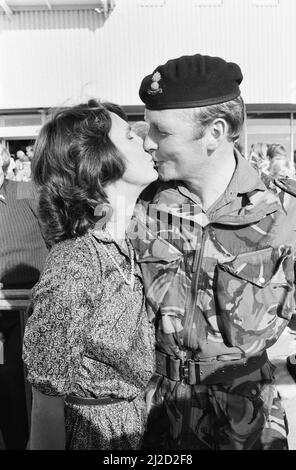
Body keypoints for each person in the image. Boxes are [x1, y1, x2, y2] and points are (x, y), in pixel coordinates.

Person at [133, 53, 296, 450]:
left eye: (161, 132)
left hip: (245, 423)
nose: (147, 143)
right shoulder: (143, 207)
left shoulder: (283, 215)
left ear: (215, 132)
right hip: (156, 418)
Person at [22, 100, 157, 450]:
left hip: (135, 430)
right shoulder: (75, 264)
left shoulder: (124, 247)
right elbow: (45, 403)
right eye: (130, 136)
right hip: (93, 437)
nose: (147, 141)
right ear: (97, 160)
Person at [0, 144, 48, 449]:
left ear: (4, 158)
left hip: (28, 313)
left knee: (17, 387)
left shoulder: (26, 192)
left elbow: (62, 243)